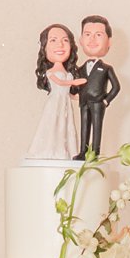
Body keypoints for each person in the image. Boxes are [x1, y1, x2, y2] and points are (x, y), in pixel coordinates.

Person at [26, 23, 84, 160]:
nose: (60, 45)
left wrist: (80, 97)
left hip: (65, 104)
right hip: (55, 103)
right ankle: (51, 151)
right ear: (44, 48)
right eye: (53, 40)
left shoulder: (66, 71)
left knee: (66, 126)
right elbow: (60, 83)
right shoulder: (50, 72)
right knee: (53, 125)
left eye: (65, 40)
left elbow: (66, 92)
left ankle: (67, 151)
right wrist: (73, 82)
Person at [75, 14, 121, 160]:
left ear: (109, 41)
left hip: (98, 103)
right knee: (84, 126)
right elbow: (75, 86)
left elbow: (116, 87)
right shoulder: (79, 69)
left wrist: (106, 101)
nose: (92, 39)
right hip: (83, 103)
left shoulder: (106, 68)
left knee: (97, 127)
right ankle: (83, 151)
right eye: (87, 34)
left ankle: (94, 152)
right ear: (81, 40)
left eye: (98, 35)